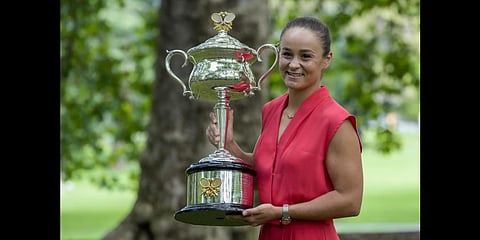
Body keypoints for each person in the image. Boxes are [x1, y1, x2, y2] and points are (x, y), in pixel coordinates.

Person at [206, 16, 363, 240]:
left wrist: (283, 212)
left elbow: (350, 201)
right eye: (287, 54)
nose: (293, 64)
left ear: (326, 59)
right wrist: (229, 145)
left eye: (305, 56)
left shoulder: (337, 121)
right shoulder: (271, 110)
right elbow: (270, 176)